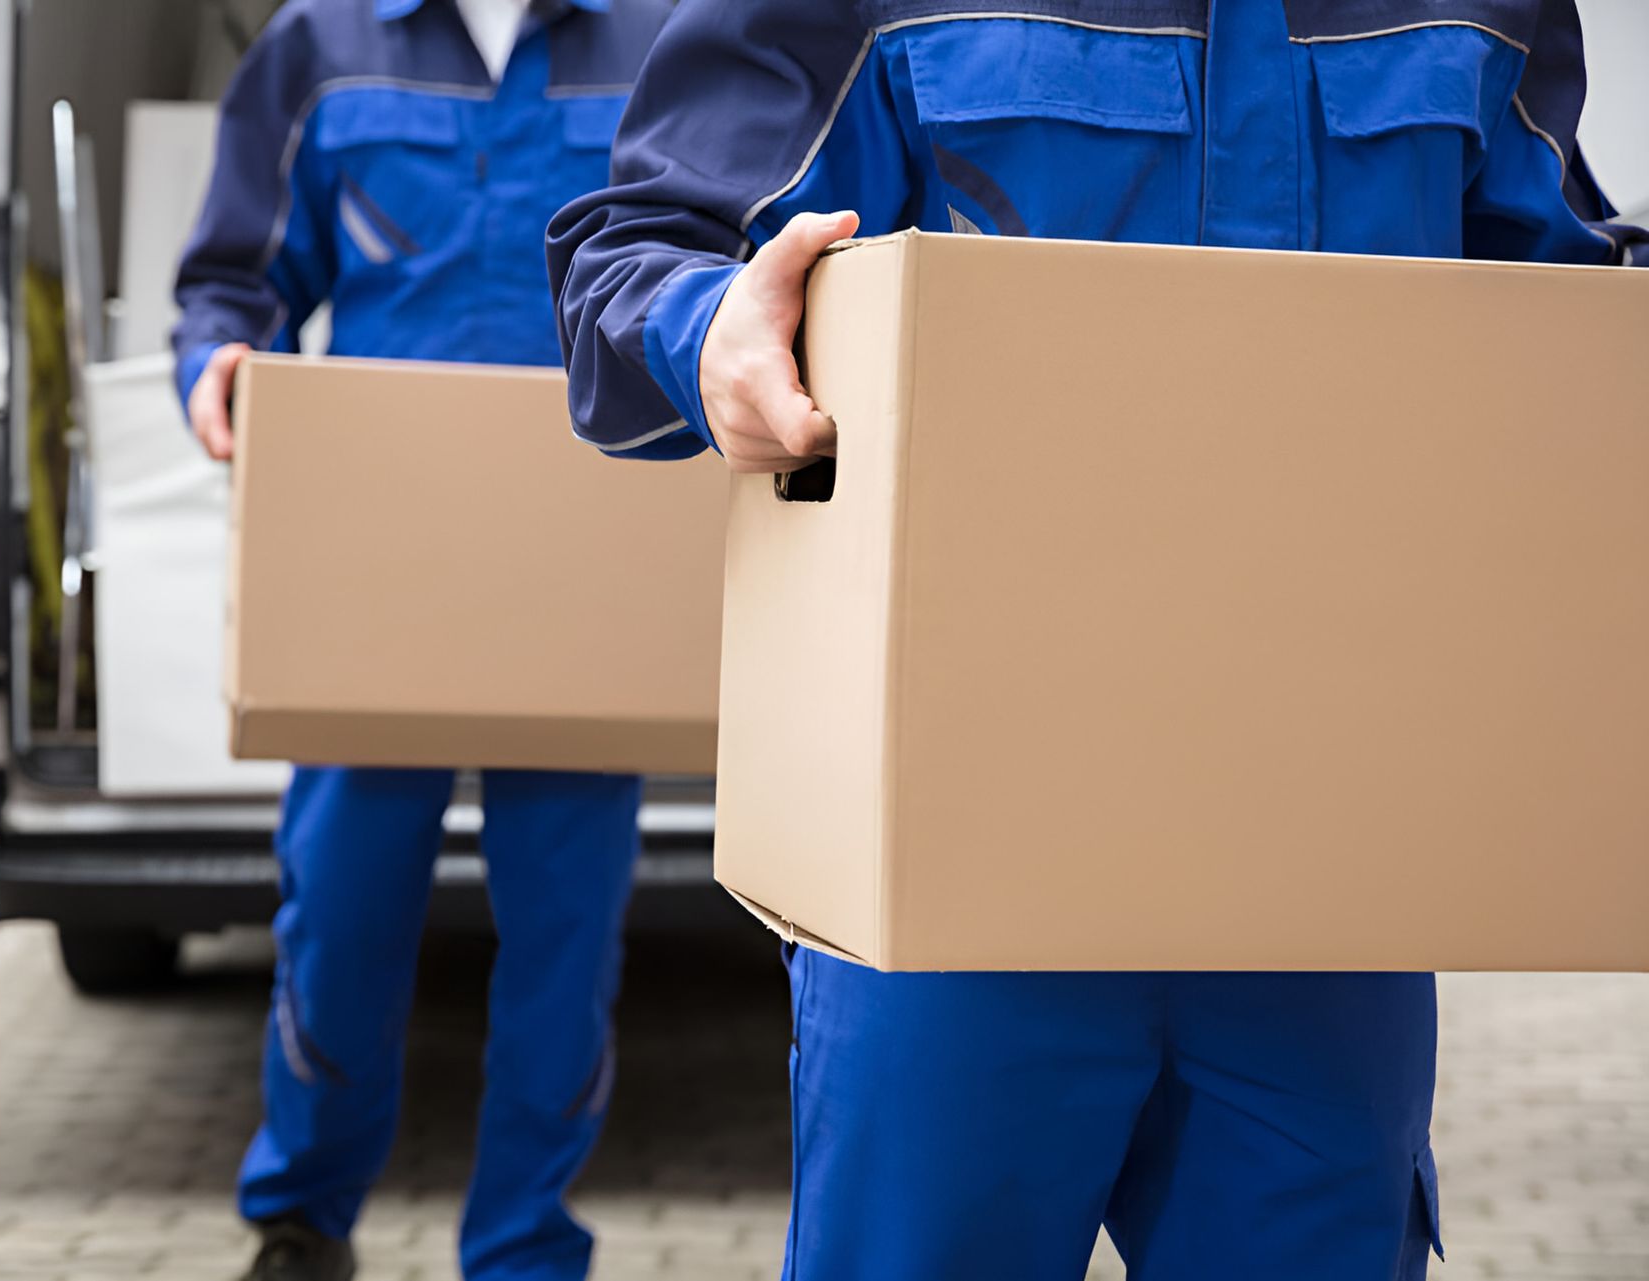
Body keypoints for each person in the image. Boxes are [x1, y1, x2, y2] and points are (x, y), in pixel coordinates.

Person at [548, 2, 1646, 1278]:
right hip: (958, 868)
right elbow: (630, 258)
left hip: (1327, 883)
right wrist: (709, 333)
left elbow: (1564, 306)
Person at [172, 1, 670, 1278]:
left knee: (566, 942)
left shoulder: (662, 41)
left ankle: (523, 1250)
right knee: (337, 915)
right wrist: (220, 364)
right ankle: (301, 1223)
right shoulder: (321, 46)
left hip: (582, 576)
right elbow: (234, 277)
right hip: (373, 578)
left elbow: (710, 254)